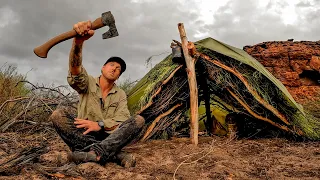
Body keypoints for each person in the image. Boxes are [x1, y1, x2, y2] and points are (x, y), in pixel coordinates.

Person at [49, 20, 145, 167]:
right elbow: (76, 71)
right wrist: (78, 43)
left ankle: (90, 154)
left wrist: (100, 125)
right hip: (84, 134)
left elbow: (122, 118)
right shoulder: (88, 82)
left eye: (118, 68)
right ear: (102, 68)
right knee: (57, 115)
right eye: (112, 65)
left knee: (138, 120)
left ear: (118, 76)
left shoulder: (120, 94)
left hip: (108, 135)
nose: (114, 68)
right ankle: (114, 154)